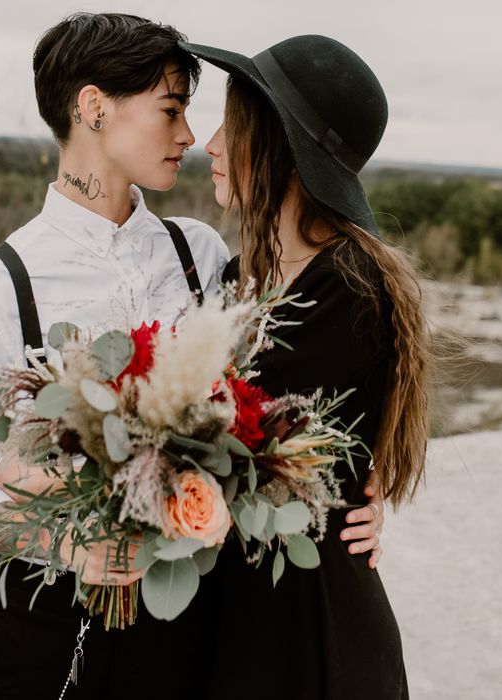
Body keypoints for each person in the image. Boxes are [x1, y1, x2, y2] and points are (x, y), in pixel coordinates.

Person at [0, 14, 384, 700]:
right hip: (43, 629)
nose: (190, 135)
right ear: (95, 109)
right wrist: (70, 545)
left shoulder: (202, 255)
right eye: (171, 109)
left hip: (183, 633)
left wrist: (350, 502)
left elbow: (274, 405)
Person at [181, 34, 430, 698]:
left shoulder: (350, 287)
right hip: (242, 612)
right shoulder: (239, 277)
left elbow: (217, 447)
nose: (208, 145)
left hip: (309, 626)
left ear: (280, 148)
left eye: (228, 127)